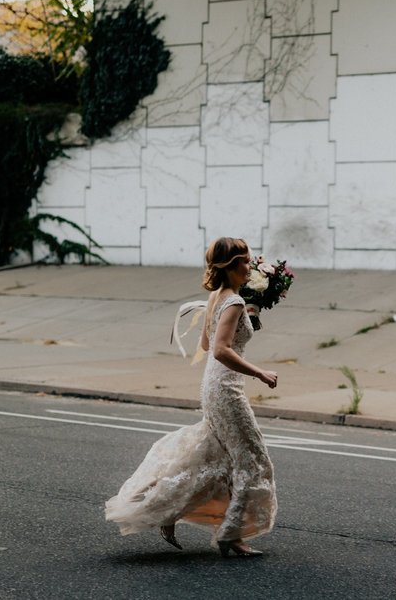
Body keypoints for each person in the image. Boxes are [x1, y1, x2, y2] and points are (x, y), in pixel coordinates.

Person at [105, 237, 279, 557]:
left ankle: (168, 508)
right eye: (245, 261)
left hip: (213, 386)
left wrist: (247, 315)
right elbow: (220, 349)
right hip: (226, 390)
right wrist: (260, 373)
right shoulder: (233, 302)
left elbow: (205, 343)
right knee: (251, 460)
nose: (250, 266)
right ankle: (230, 535)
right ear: (230, 266)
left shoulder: (219, 297)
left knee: (216, 456)